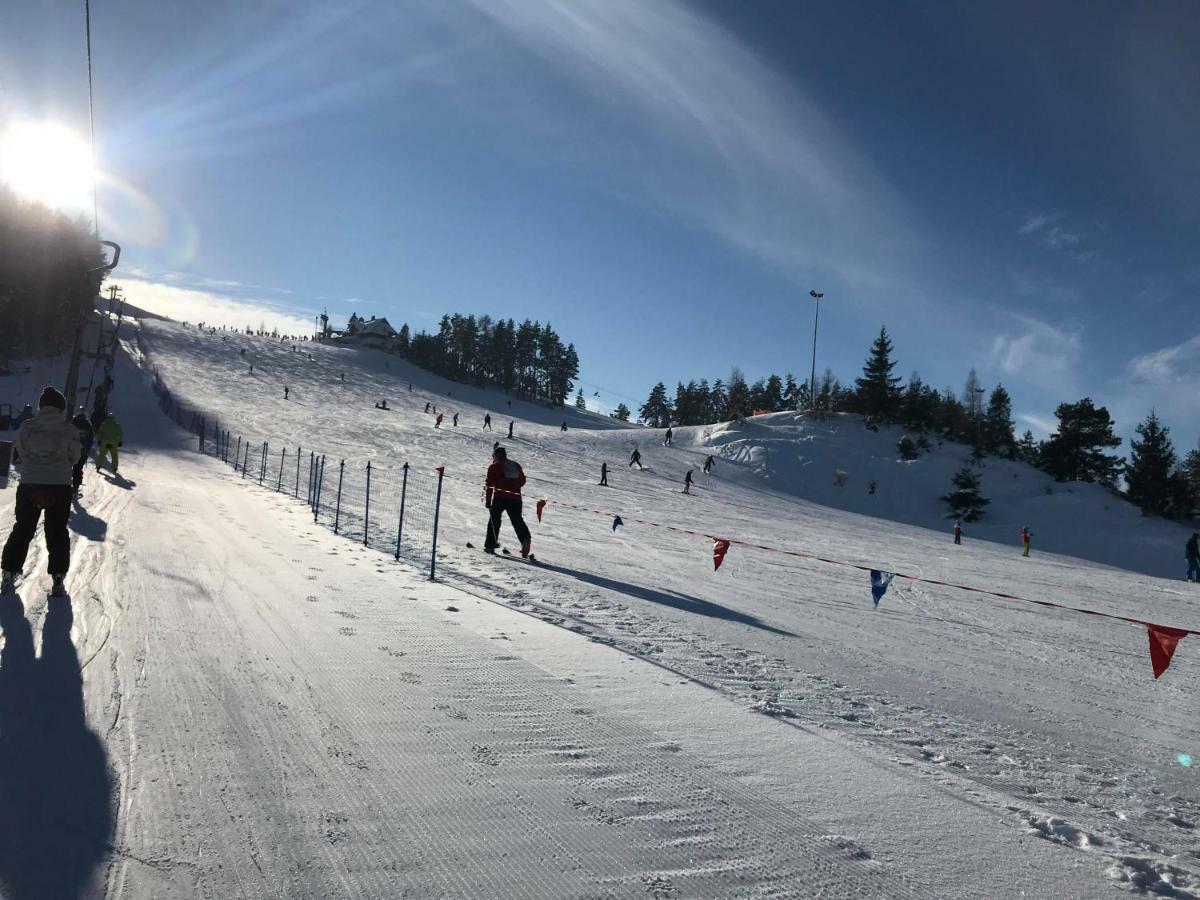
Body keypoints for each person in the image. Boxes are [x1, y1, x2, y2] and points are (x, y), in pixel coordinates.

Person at [1, 387, 80, 597]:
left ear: (41, 406)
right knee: (57, 532)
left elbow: (21, 451)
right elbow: (75, 456)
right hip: (59, 486)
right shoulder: (69, 430)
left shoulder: (28, 427)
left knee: (23, 528)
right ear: (61, 407)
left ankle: (9, 571)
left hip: (30, 484)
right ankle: (58, 578)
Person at [484, 446, 531, 557]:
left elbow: (489, 485)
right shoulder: (515, 465)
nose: (493, 458)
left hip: (500, 497)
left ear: (497, 455)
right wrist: (513, 486)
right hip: (515, 498)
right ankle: (525, 539)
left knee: (494, 520)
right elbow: (522, 481)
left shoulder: (493, 467)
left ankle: (490, 545)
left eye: (493, 456)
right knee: (517, 520)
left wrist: (488, 501)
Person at [71, 412, 94, 494]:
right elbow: (90, 440)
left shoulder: (72, 424)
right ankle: (76, 485)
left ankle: (65, 484)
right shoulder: (88, 426)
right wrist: (87, 450)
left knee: (67, 467)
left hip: (71, 451)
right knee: (78, 468)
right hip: (82, 452)